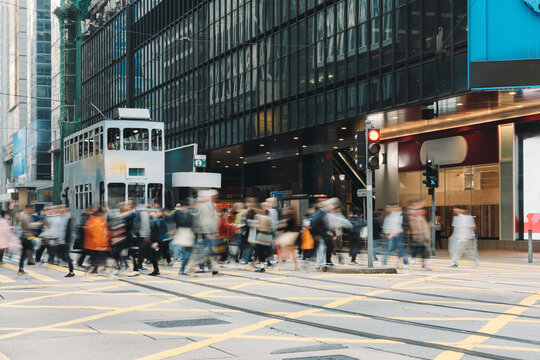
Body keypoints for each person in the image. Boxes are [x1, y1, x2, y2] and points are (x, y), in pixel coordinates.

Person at [189, 190, 219, 275]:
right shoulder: (201, 206)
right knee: (202, 251)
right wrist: (206, 232)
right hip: (203, 233)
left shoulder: (211, 205)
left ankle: (213, 268)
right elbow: (199, 220)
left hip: (208, 232)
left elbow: (212, 220)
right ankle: (192, 267)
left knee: (210, 251)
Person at [83, 207, 110, 279]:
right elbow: (95, 233)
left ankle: (95, 271)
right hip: (96, 245)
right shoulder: (96, 220)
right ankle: (89, 274)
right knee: (95, 261)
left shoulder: (96, 220)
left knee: (95, 261)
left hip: (96, 245)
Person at [382, 204, 409, 268]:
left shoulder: (400, 215)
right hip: (392, 235)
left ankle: (405, 263)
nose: (393, 208)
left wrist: (392, 234)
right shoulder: (391, 215)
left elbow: (398, 227)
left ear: (399, 208)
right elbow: (388, 224)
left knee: (400, 249)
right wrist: (387, 232)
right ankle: (384, 262)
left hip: (398, 234)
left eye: (395, 207)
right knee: (392, 249)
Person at [408, 200, 432, 271]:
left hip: (419, 236)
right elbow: (420, 227)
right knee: (424, 251)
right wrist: (424, 236)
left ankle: (420, 263)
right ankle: (423, 265)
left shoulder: (418, 217)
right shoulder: (417, 217)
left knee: (421, 250)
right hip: (420, 236)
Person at [18, 205, 40, 274]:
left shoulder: (23, 215)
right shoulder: (25, 216)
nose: (31, 211)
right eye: (30, 209)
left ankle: (21, 267)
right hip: (26, 237)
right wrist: (37, 224)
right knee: (27, 251)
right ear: (27, 209)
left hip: (25, 237)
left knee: (24, 252)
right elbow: (28, 226)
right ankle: (28, 262)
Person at [253, 203, 274, 272]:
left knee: (260, 252)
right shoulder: (269, 218)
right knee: (266, 251)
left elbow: (256, 226)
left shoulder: (259, 217)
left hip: (261, 237)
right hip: (268, 237)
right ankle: (268, 263)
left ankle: (262, 267)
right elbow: (272, 228)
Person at [55, 206, 75, 277]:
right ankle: (69, 262)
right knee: (59, 254)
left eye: (62, 208)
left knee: (67, 255)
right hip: (60, 240)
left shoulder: (68, 218)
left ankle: (71, 271)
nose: (60, 210)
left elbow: (69, 230)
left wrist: (66, 241)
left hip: (66, 240)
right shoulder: (60, 218)